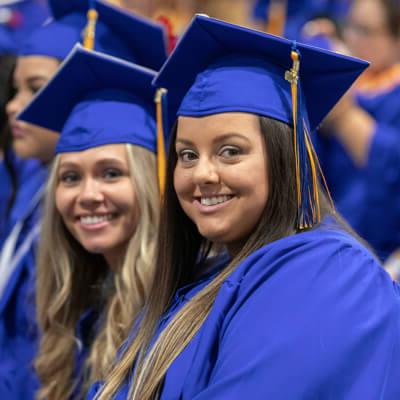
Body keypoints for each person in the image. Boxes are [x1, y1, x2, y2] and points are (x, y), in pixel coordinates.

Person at [90, 15, 400, 400]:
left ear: (286, 158)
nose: (201, 173)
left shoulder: (331, 275)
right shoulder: (198, 280)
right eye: (186, 155)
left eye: (230, 151)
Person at [0, 1, 167, 397]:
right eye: (71, 177)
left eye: (111, 172)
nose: (13, 106)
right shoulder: (80, 291)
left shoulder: (175, 313)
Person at [312, 0, 400, 261]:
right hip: (323, 235)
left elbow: (392, 168)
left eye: (364, 30)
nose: (352, 37)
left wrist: (345, 116)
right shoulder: (349, 81)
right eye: (349, 26)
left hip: (375, 249)